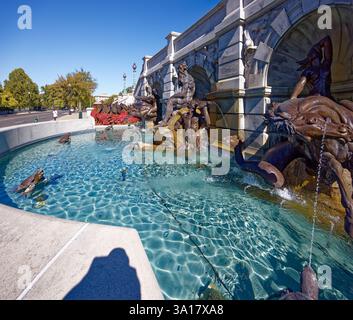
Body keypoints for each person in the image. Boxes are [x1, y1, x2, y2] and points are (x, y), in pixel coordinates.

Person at [291, 36, 333, 100]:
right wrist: (293, 97)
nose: (317, 50)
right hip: (315, 96)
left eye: (317, 51)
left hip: (327, 97)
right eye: (314, 51)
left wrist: (317, 45)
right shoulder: (308, 70)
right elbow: (302, 82)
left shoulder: (326, 64)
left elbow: (326, 39)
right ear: (310, 57)